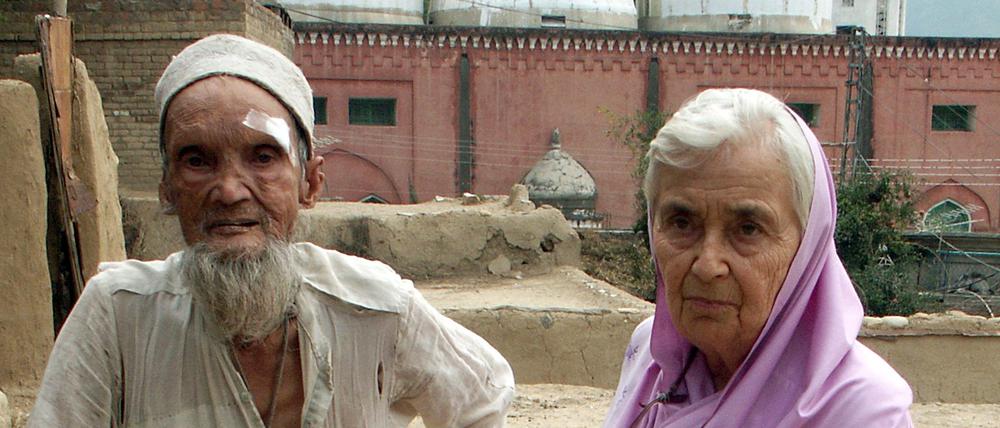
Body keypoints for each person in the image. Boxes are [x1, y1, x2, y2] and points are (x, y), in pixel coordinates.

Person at [29, 34, 514, 427]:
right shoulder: (119, 315)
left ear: (310, 182)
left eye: (262, 157)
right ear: (168, 190)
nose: (229, 190)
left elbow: (482, 401)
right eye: (197, 161)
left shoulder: (377, 310)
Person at [604, 88, 913, 427]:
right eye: (681, 223)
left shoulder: (856, 410)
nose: (708, 266)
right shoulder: (651, 356)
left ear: (807, 244)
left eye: (748, 229)